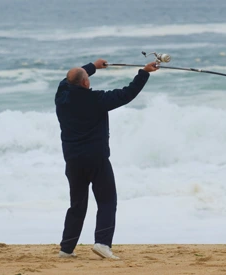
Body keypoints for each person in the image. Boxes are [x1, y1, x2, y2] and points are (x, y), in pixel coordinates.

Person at [55, 58, 159, 259]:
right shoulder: (97, 100)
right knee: (107, 200)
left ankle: (66, 248)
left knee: (77, 204)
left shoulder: (62, 96)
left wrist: (92, 67)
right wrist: (144, 72)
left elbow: (66, 80)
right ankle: (102, 243)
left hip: (73, 160)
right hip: (96, 159)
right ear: (86, 83)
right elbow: (127, 94)